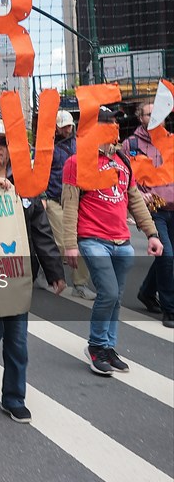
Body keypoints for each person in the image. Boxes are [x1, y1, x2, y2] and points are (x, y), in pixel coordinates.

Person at [0, 121, 66, 423]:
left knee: (17, 342)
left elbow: (41, 230)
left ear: (13, 149)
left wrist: (54, 271)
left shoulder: (26, 184)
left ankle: (13, 397)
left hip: (19, 276)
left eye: (3, 141)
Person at [61, 107, 163, 375]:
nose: (113, 128)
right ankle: (95, 346)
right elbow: (70, 206)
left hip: (122, 241)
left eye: (114, 123)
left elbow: (135, 201)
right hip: (93, 239)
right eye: (106, 124)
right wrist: (69, 244)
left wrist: (152, 234)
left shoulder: (123, 161)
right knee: (107, 292)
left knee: (115, 297)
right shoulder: (77, 162)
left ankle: (107, 346)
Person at [122, 102, 174, 326]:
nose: (155, 117)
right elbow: (124, 176)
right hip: (153, 210)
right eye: (149, 114)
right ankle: (170, 309)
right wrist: (138, 196)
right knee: (167, 255)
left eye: (158, 113)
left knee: (169, 256)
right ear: (140, 117)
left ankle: (146, 291)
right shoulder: (130, 144)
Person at [43, 110, 95, 299]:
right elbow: (41, 172)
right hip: (54, 198)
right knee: (62, 243)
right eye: (64, 125)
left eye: (69, 125)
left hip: (75, 200)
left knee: (78, 242)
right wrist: (42, 196)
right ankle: (48, 270)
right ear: (56, 127)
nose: (67, 128)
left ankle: (80, 284)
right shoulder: (47, 146)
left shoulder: (78, 145)